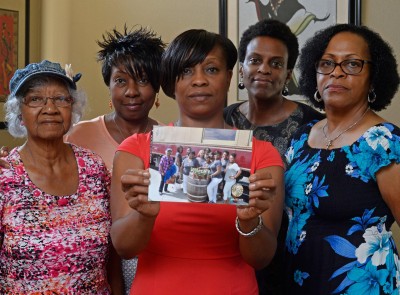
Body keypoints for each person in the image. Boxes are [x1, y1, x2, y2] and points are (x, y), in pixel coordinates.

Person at [110, 29, 285, 294]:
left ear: (228, 77)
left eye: (212, 70)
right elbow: (123, 247)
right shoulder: (136, 149)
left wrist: (250, 222)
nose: (200, 81)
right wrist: (143, 215)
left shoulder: (262, 155)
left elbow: (261, 258)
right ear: (171, 82)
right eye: (187, 71)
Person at [283, 24, 400, 294]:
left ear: (374, 77)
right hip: (299, 282)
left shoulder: (384, 142)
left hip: (362, 287)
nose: (336, 72)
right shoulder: (301, 138)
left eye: (352, 64)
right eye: (327, 63)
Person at [224, 19, 325, 294]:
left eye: (276, 63)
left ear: (288, 73)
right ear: (242, 69)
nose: (264, 69)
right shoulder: (223, 120)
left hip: (294, 261)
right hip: (230, 256)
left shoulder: (314, 126)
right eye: (255, 60)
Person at [0, 60, 116, 293]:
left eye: (61, 99)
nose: (50, 108)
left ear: (72, 109)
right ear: (19, 113)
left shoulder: (95, 169)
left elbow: (112, 255)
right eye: (35, 99)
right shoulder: (4, 176)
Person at [64, 26, 165, 294]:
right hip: (90, 264)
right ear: (109, 86)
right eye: (121, 81)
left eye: (143, 80)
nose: (131, 91)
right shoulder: (77, 136)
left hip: (151, 260)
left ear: (157, 88)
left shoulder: (169, 143)